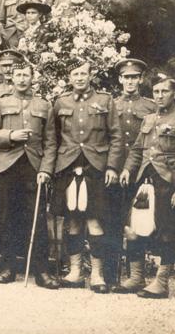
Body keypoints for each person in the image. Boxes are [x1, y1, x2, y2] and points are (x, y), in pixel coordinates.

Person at [117, 75, 175, 299]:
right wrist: (128, 169)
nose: (159, 96)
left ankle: (161, 282)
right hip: (143, 182)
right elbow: (137, 150)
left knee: (166, 232)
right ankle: (137, 277)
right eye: (155, 92)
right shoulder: (148, 119)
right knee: (133, 229)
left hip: (168, 183)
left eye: (164, 91)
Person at [0, 60, 59, 288]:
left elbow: (51, 142)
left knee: (36, 218)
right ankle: (7, 267)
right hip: (6, 166)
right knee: (6, 217)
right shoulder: (0, 103)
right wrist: (11, 135)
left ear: (32, 77)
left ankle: (42, 271)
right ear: (12, 77)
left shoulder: (44, 105)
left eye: (26, 75)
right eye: (18, 75)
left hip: (34, 168)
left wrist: (46, 169)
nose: (22, 79)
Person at [52, 58, 122, 293]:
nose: (79, 78)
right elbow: (53, 139)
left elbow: (116, 136)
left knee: (94, 219)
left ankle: (97, 275)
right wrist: (51, 168)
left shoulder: (105, 100)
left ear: (91, 76)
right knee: (72, 220)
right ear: (69, 78)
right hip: (68, 165)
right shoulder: (60, 101)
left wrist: (112, 167)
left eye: (83, 74)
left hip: (96, 166)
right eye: (75, 74)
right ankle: (74, 273)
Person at [105, 58, 156, 287]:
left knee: (137, 222)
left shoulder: (150, 107)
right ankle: (111, 276)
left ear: (141, 79)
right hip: (114, 172)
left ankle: (136, 276)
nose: (130, 81)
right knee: (113, 221)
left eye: (134, 77)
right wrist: (112, 168)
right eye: (126, 77)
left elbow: (153, 143)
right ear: (120, 79)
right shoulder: (111, 104)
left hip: (138, 173)